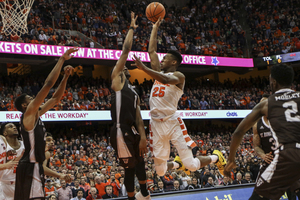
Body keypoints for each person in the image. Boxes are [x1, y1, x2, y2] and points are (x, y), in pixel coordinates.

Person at [131, 17, 226, 179]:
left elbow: (166, 80)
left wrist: (143, 68)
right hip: (155, 124)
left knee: (192, 165)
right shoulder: (158, 73)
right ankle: (177, 164)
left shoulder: (179, 76)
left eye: (165, 58)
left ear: (173, 61)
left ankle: (216, 157)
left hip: (172, 122)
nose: (162, 60)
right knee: (160, 171)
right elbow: (151, 52)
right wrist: (155, 27)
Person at [224, 64, 300, 200]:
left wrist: (231, 160)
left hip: (286, 155)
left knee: (258, 197)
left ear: (273, 81)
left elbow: (238, 132)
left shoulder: (267, 104)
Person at [14, 47, 78, 200]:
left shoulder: (36, 115)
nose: (34, 99)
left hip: (33, 166)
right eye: (31, 99)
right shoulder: (28, 116)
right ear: (25, 106)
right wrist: (62, 59)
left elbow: (55, 99)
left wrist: (65, 77)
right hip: (29, 168)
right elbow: (48, 84)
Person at [110, 12, 149, 200]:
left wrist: (143, 136)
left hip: (133, 130)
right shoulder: (117, 82)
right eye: (120, 65)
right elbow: (125, 51)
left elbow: (139, 117)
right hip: (120, 130)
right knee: (129, 169)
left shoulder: (133, 90)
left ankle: (146, 194)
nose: (123, 66)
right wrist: (132, 28)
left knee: (141, 162)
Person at [252, 94, 300, 199]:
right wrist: (262, 155)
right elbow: (256, 146)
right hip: (270, 163)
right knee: (258, 194)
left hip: (287, 160)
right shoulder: (257, 125)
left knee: (295, 191)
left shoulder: (284, 119)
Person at [0, 122, 24, 200]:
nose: (14, 127)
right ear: (5, 133)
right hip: (4, 184)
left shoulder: (25, 145)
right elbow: (7, 165)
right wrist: (5, 165)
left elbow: (13, 163)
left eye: (14, 126)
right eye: (10, 127)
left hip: (21, 184)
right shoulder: (3, 144)